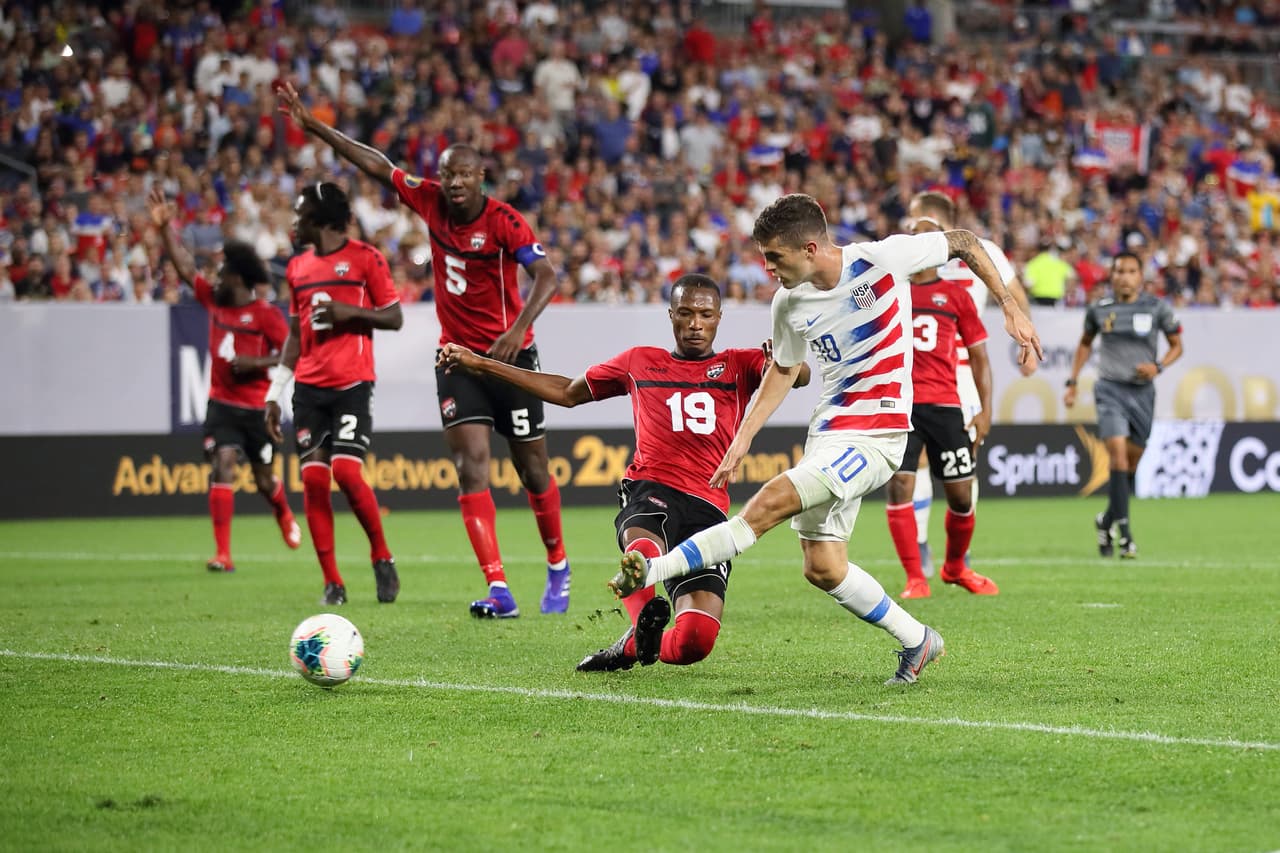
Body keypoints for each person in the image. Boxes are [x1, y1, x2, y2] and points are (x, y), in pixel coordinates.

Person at [609, 194, 1042, 685]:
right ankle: (919, 640)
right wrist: (744, 436)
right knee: (823, 566)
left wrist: (1009, 307)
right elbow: (784, 369)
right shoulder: (788, 302)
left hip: (878, 436)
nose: (767, 269)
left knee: (767, 505)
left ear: (810, 248)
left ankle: (655, 570)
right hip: (829, 434)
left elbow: (964, 241)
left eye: (775, 257)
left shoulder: (881, 259)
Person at [279, 83, 571, 619]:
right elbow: (376, 164)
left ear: (481, 178)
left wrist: (517, 330)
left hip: (512, 361)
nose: (455, 182)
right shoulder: (428, 198)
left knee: (532, 470)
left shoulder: (505, 222)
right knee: (471, 468)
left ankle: (557, 565)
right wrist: (317, 127)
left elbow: (548, 276)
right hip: (457, 359)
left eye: (465, 174)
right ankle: (500, 588)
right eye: (448, 174)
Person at [438, 274, 810, 671]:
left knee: (693, 643)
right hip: (651, 490)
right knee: (643, 549)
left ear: (719, 317)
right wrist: (482, 365)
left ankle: (634, 644)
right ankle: (642, 606)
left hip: (709, 510)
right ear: (671, 315)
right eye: (685, 313)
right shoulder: (640, 361)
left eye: (705, 314)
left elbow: (800, 376)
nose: (695, 323)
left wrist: (782, 357)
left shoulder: (740, 364)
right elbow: (567, 393)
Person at [148, 187, 301, 574]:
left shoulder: (264, 314)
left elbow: (292, 352)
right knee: (223, 464)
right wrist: (166, 229)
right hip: (221, 406)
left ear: (239, 277)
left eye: (223, 270)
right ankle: (223, 553)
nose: (215, 275)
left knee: (266, 481)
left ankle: (282, 512)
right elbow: (185, 267)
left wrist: (256, 363)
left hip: (256, 408)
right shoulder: (214, 299)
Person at [264, 182, 403, 605]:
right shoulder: (297, 268)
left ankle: (381, 555)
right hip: (307, 389)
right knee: (312, 479)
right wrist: (274, 391)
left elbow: (394, 316)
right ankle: (332, 582)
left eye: (300, 214)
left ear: (322, 220)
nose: (294, 221)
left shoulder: (365, 258)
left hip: (352, 385)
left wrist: (350, 313)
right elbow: (294, 334)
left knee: (344, 472)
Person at [903, 191, 1033, 577]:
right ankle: (947, 553)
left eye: (914, 218)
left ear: (928, 217)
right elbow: (1018, 298)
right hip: (955, 374)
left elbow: (1016, 299)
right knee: (954, 462)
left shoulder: (918, 253)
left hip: (942, 371)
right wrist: (1026, 340)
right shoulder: (985, 249)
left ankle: (931, 549)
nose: (911, 226)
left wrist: (1025, 342)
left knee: (934, 462)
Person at [884, 210, 998, 599]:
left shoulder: (956, 295)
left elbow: (980, 357)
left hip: (947, 405)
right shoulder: (889, 290)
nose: (922, 245)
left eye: (930, 237)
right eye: (914, 237)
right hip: (901, 406)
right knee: (900, 486)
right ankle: (915, 577)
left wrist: (985, 410)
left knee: (962, 496)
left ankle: (955, 567)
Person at [1064, 252, 1182, 559]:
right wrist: (1073, 381)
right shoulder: (1100, 309)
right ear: (1112, 275)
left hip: (1142, 394)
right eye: (1119, 271)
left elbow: (1177, 346)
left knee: (1129, 466)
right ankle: (1126, 537)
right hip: (1109, 390)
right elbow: (1085, 342)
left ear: (1140, 276)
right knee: (1116, 456)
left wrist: (1158, 366)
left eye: (1131, 271)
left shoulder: (1156, 308)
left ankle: (1106, 521)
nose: (1124, 276)